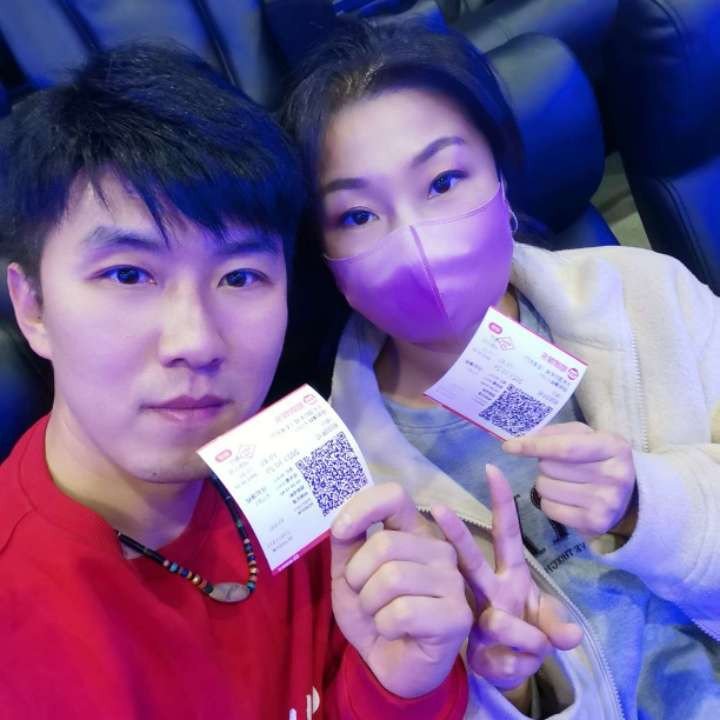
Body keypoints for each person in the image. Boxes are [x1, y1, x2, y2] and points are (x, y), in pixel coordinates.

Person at [0, 43, 474, 719]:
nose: (195, 341)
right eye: (129, 275)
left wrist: (404, 682)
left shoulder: (297, 458)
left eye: (241, 277)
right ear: (33, 308)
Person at [281, 19, 720, 720]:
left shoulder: (646, 293)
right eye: (358, 215)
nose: (416, 242)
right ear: (324, 255)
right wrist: (513, 688)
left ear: (502, 177)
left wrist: (648, 501)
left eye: (444, 181)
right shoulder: (339, 480)